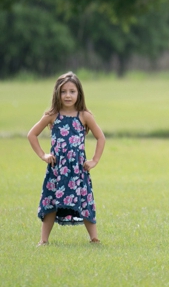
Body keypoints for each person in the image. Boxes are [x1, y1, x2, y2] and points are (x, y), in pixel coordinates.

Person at [28, 71, 106, 245]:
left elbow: (101, 137)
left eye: (72, 91)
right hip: (57, 169)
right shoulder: (52, 115)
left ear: (79, 93)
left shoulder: (84, 116)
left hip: (78, 170)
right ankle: (44, 240)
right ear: (57, 93)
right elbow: (32, 135)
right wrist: (43, 155)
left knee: (85, 202)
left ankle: (94, 238)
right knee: (51, 203)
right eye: (63, 91)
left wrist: (94, 160)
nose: (68, 95)